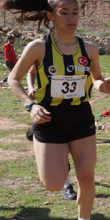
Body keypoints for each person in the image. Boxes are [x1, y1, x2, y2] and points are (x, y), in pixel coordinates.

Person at [0, 0, 110, 220]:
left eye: (75, 12)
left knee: (86, 176)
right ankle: (51, 156)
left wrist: (103, 86)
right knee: (52, 183)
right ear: (51, 15)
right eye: (64, 13)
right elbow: (13, 79)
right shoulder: (38, 48)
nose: (71, 18)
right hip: (48, 116)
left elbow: (95, 79)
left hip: (80, 115)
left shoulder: (90, 49)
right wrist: (30, 105)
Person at [25, 64, 77, 200]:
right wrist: (30, 88)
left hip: (75, 112)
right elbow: (30, 73)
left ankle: (74, 184)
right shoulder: (42, 49)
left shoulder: (79, 50)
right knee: (61, 154)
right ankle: (67, 185)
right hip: (48, 111)